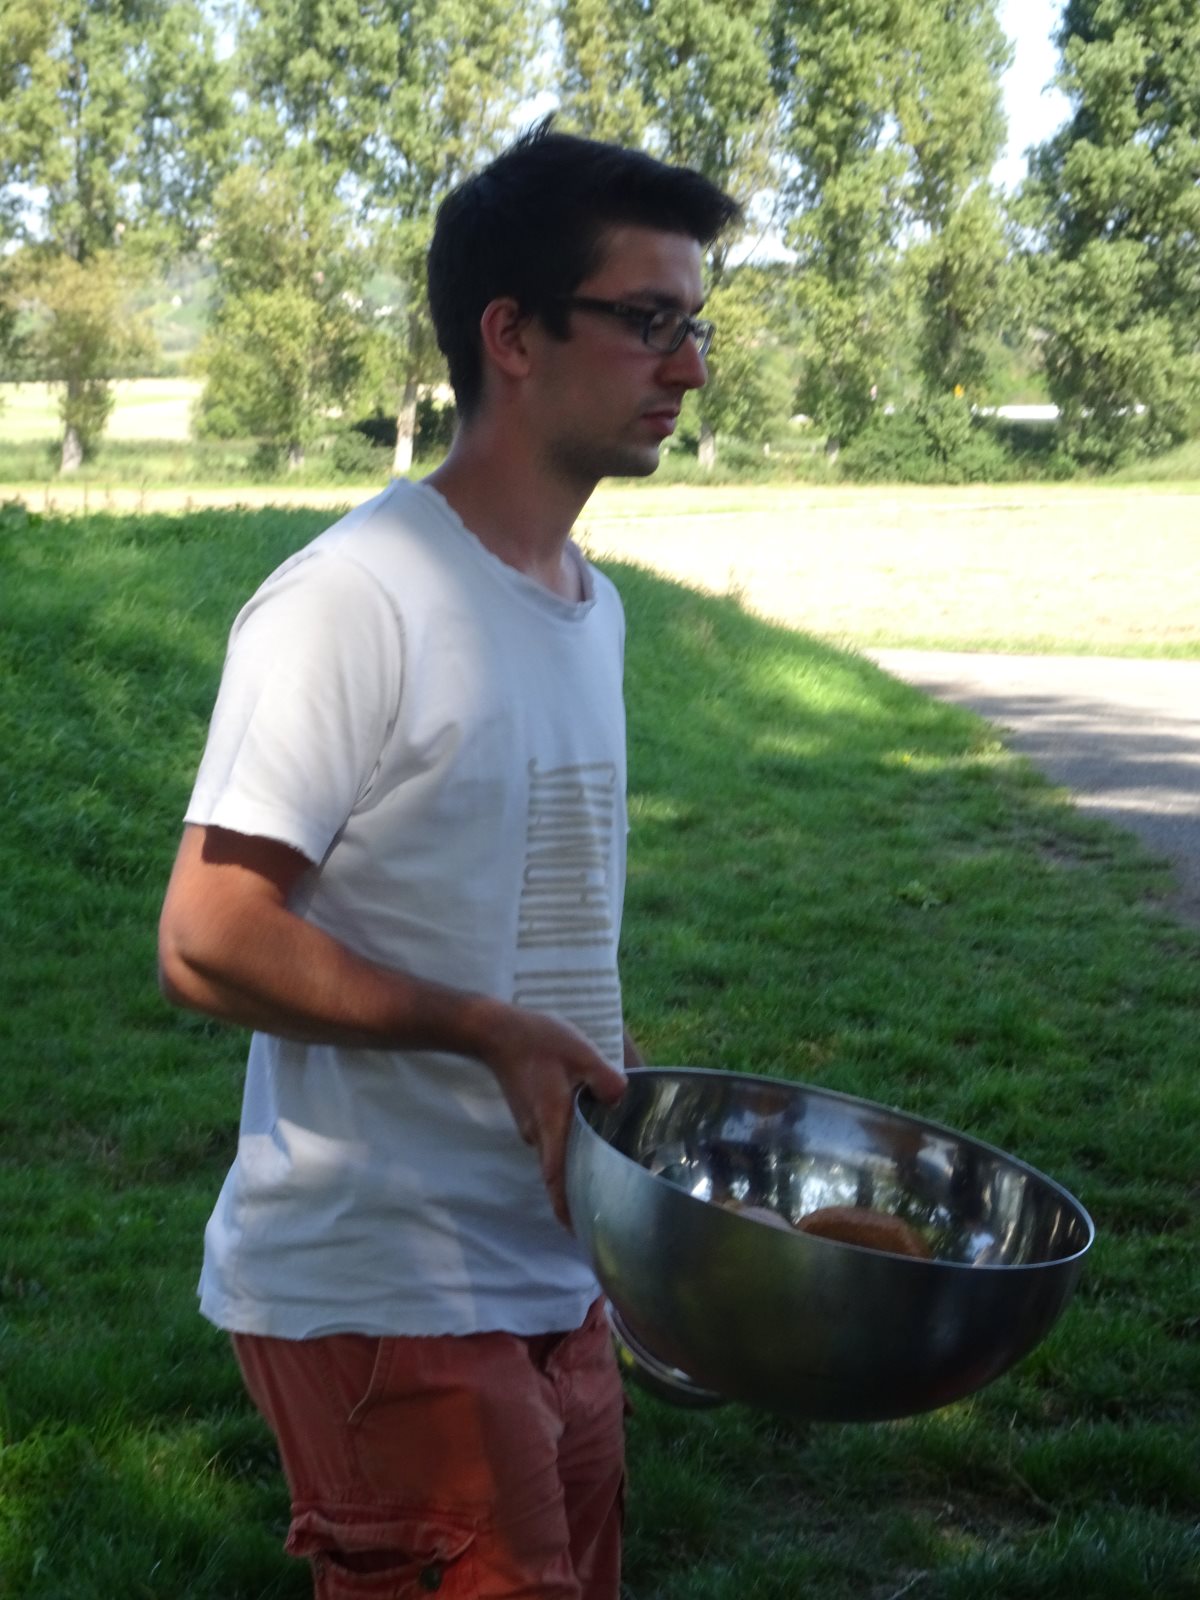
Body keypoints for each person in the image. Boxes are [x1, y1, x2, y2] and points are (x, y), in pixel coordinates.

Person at [158, 120, 741, 1600]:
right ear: (513, 335)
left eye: (696, 324)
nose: (688, 367)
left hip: (557, 1260)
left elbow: (527, 909)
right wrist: (483, 1030)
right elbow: (207, 933)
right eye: (649, 320)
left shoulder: (589, 606)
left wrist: (609, 1079)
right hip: (384, 1281)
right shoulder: (357, 597)